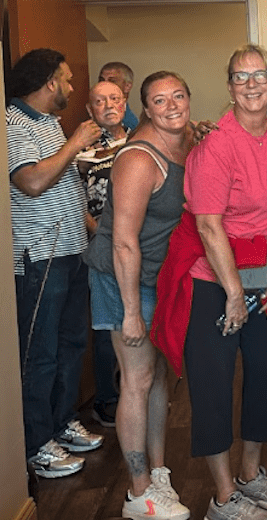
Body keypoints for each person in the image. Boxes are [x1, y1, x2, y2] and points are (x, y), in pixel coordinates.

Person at [156, 44, 267, 520]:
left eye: (261, 76)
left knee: (265, 376)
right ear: (230, 87)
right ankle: (223, 496)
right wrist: (235, 294)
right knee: (213, 383)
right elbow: (208, 225)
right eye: (241, 77)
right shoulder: (215, 143)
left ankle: (251, 473)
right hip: (214, 280)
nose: (252, 84)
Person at [83, 71, 195, 520]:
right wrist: (131, 313)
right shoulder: (139, 159)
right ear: (144, 109)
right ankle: (138, 493)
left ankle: (158, 471)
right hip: (122, 278)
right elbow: (123, 241)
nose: (171, 106)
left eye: (178, 96)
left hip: (159, 277)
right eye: (159, 100)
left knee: (157, 377)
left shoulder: (186, 138)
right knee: (137, 379)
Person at [7, 48, 105, 479]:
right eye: (66, 80)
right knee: (40, 354)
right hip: (39, 256)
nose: (70, 87)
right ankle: (36, 444)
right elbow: (31, 182)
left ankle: (63, 423)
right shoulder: (12, 124)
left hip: (71, 250)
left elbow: (64, 187)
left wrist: (94, 230)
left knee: (71, 347)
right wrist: (75, 145)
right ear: (49, 82)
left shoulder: (49, 123)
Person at [78, 80, 130, 429]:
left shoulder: (144, 139)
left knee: (142, 317)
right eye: (100, 101)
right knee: (107, 324)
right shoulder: (80, 150)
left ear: (125, 101)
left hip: (144, 245)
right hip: (101, 244)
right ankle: (108, 399)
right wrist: (104, 233)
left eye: (114, 98)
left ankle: (138, 390)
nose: (108, 105)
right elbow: (73, 200)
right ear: (89, 109)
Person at [99, 61, 141, 130]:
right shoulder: (98, 115)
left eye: (112, 81)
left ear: (127, 86)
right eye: (101, 80)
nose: (104, 84)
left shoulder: (130, 125)